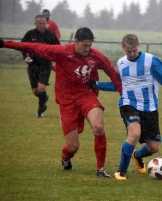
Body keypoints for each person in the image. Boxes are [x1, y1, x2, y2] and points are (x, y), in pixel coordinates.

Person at [0, 27, 122, 178]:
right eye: (84, 45)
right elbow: (34, 47)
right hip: (66, 101)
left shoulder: (96, 56)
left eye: (89, 46)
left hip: (87, 95)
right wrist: (4, 43)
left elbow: (113, 74)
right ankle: (65, 156)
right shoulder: (62, 52)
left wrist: (125, 96)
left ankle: (100, 169)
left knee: (98, 126)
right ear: (75, 41)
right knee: (73, 147)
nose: (87, 49)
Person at [89, 34, 162, 180]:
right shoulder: (121, 63)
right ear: (123, 47)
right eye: (129, 51)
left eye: (134, 50)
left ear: (138, 45)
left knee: (154, 147)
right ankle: (121, 172)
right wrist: (97, 85)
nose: (132, 54)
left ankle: (136, 155)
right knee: (134, 134)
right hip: (129, 104)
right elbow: (120, 86)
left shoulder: (151, 61)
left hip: (149, 108)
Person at [21, 15, 60, 118]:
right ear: (36, 24)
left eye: (44, 23)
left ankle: (40, 112)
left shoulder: (50, 36)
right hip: (32, 64)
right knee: (35, 91)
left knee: (41, 87)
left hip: (45, 65)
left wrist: (55, 60)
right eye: (40, 23)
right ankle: (44, 98)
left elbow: (59, 48)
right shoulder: (30, 34)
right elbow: (22, 46)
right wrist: (25, 57)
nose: (42, 25)